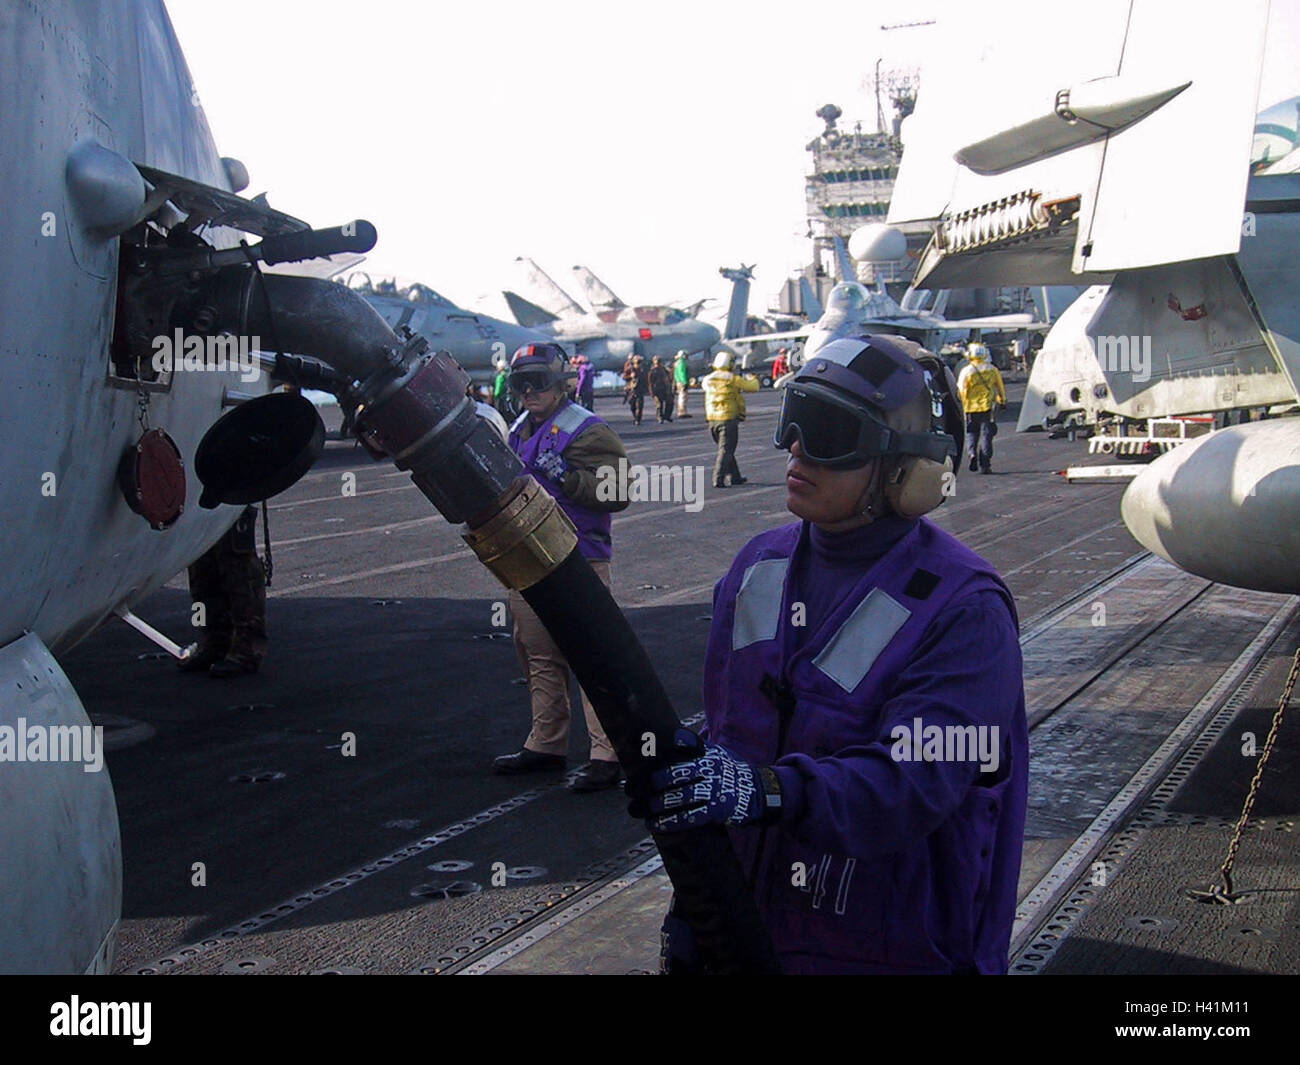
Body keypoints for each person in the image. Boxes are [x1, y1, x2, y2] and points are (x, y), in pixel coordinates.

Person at [629, 334, 1027, 974]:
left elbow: (918, 779)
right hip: (731, 920)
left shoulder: (963, 608)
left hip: (880, 944)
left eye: (828, 432)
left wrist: (769, 791)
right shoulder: (759, 564)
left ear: (905, 467)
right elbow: (737, 724)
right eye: (794, 418)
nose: (795, 448)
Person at [495, 343, 631, 792]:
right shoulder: (517, 428)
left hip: (578, 559)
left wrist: (566, 476)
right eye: (522, 383)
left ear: (560, 384)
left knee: (592, 657)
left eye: (539, 381)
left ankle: (607, 754)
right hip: (527, 559)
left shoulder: (589, 430)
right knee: (538, 655)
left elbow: (618, 492)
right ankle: (546, 744)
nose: (530, 391)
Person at [179, 504, 268, 677]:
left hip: (231, 497)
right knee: (200, 578)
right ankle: (212, 642)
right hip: (200, 500)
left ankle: (247, 648)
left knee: (239, 575)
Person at [702, 350, 759, 487]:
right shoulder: (732, 378)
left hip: (712, 419)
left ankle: (735, 477)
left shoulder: (708, 379)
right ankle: (718, 478)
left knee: (726, 449)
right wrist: (753, 377)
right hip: (727, 418)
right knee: (726, 450)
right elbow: (753, 388)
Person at [957, 342, 1006, 474]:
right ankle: (985, 464)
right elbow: (1000, 387)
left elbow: (961, 390)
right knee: (986, 435)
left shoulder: (966, 371)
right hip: (987, 407)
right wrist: (1002, 400)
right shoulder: (992, 369)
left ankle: (972, 453)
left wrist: (961, 405)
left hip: (970, 408)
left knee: (972, 433)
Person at [623, 354, 648, 425]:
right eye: (637, 362)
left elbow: (646, 379)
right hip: (631, 390)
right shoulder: (629, 369)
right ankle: (635, 417)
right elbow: (624, 377)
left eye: (639, 362)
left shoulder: (643, 370)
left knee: (639, 407)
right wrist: (630, 376)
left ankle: (638, 420)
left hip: (639, 390)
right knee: (632, 407)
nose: (638, 364)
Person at [648, 355, 673, 423]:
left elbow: (669, 378)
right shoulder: (652, 372)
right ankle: (660, 417)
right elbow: (650, 383)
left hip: (665, 389)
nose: (658, 363)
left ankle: (667, 416)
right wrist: (652, 392)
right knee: (659, 405)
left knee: (670, 403)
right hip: (657, 390)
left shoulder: (664, 370)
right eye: (656, 361)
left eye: (659, 361)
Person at [673, 350, 692, 418]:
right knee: (683, 397)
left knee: (682, 396)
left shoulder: (677, 362)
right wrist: (685, 382)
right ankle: (682, 412)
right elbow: (682, 373)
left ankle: (682, 411)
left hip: (678, 381)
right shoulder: (682, 362)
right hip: (682, 382)